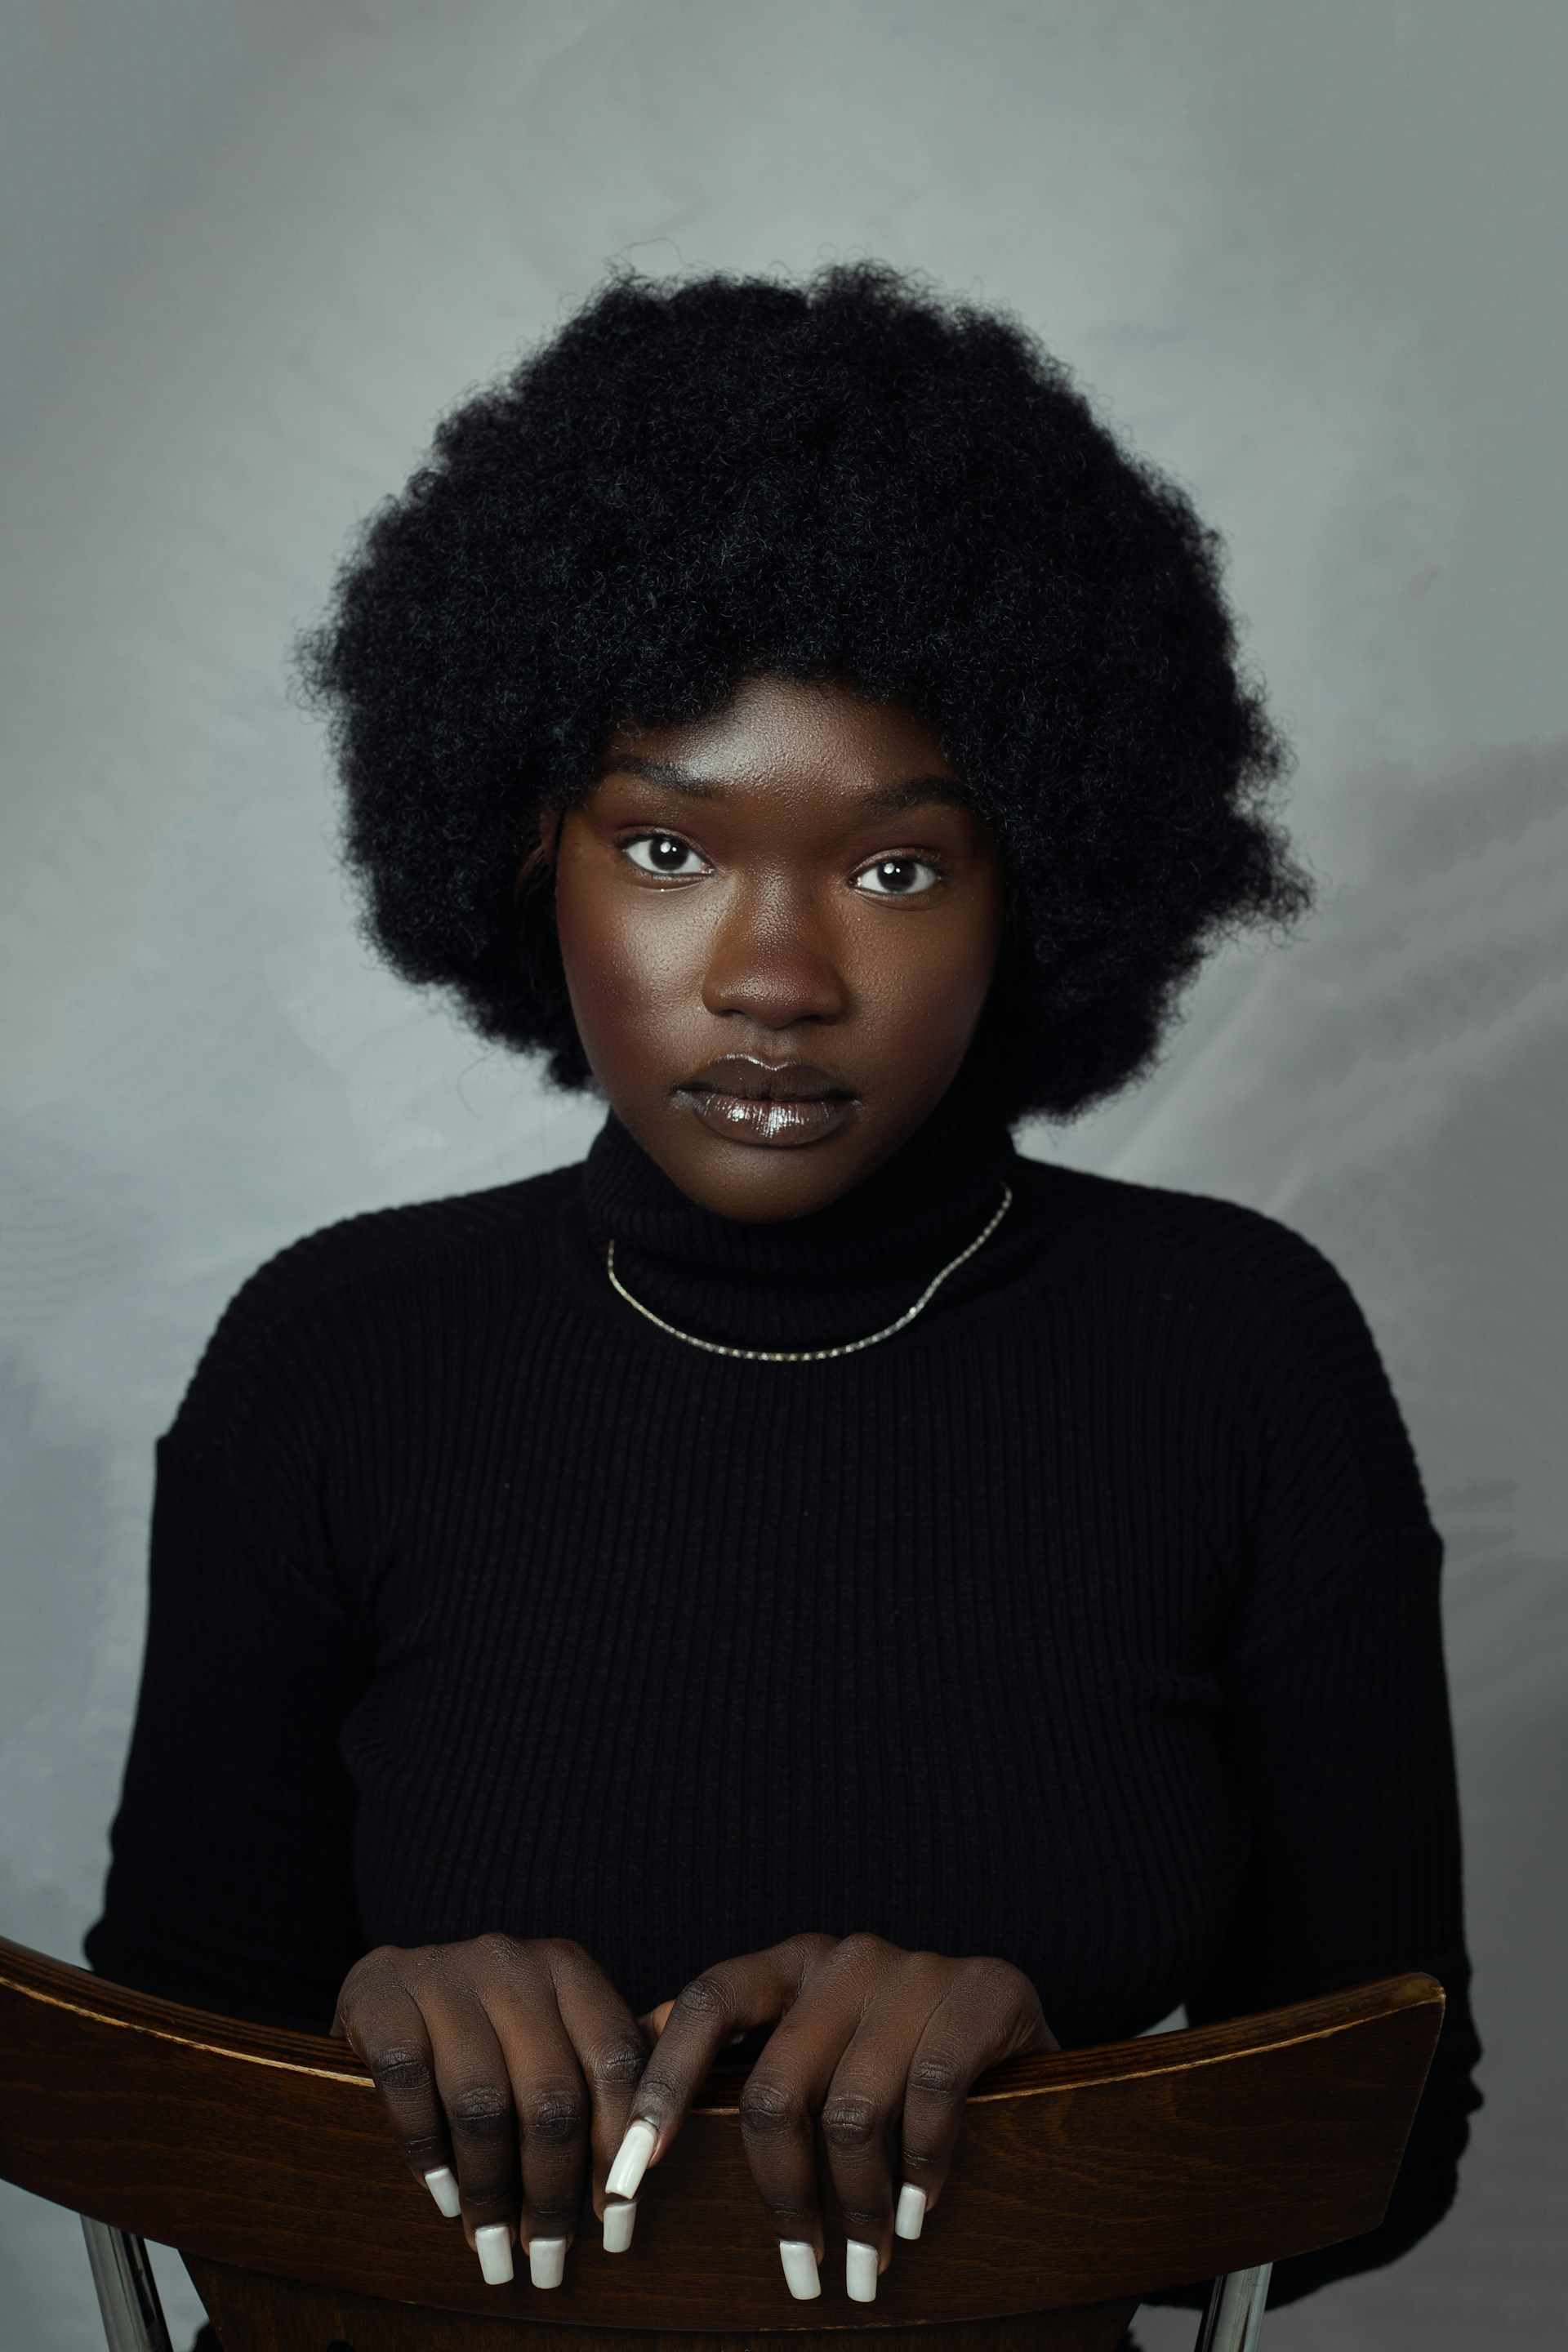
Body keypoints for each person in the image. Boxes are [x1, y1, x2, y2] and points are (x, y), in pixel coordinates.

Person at [86, 265, 1479, 2327]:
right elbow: (146, 2119)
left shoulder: (1236, 1356)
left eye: (899, 868)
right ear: (519, 843)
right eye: (665, 851)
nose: (772, 973)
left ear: (1054, 882)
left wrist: (1033, 2103)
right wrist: (378, 2016)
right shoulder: (337, 1354)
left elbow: (1386, 2138)